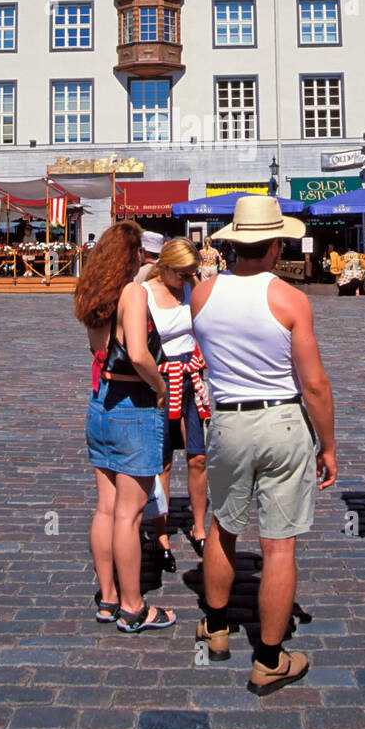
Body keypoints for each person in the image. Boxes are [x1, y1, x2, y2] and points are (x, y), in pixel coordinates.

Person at [191, 195, 336, 695]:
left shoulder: (203, 295)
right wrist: (329, 444)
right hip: (281, 422)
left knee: (223, 527)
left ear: (234, 243)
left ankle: (215, 628)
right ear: (275, 245)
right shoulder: (291, 299)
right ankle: (270, 659)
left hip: (227, 422)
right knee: (278, 545)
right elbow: (314, 384)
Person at [74, 222, 175, 634]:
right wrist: (161, 385)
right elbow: (136, 352)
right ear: (131, 257)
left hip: (100, 403)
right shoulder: (131, 293)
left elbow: (97, 350)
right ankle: (135, 607)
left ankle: (108, 597)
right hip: (133, 405)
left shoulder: (94, 294)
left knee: (106, 508)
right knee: (129, 516)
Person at [142, 238, 209, 566]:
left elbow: (206, 326)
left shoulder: (191, 288)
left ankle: (199, 527)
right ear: (164, 266)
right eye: (182, 273)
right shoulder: (144, 293)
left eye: (191, 273)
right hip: (160, 378)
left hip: (191, 374)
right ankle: (161, 533)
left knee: (198, 456)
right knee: (163, 460)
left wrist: (205, 353)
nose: (187, 278)